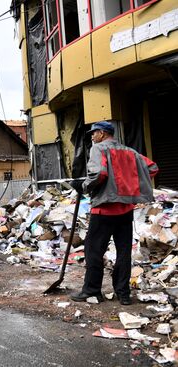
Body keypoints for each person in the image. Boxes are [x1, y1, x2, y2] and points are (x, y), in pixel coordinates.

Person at [69, 121, 158, 305]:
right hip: (125, 211)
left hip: (104, 210)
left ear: (102, 133)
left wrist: (83, 186)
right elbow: (153, 168)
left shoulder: (98, 149)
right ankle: (123, 294)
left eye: (94, 133)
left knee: (93, 250)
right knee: (123, 252)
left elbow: (100, 174)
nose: (92, 137)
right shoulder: (130, 152)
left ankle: (92, 290)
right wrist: (131, 182)